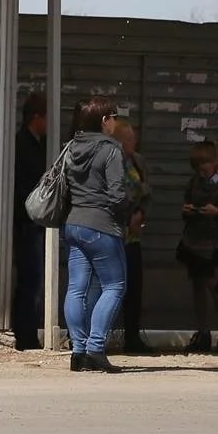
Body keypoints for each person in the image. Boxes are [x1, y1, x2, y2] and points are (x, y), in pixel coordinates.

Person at [63, 97, 129, 374]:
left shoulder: (71, 147)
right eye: (113, 117)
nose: (116, 122)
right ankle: (95, 348)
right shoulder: (110, 150)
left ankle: (78, 353)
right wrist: (126, 217)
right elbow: (116, 193)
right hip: (101, 225)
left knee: (77, 288)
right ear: (104, 121)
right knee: (115, 286)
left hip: (74, 224)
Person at [177, 139, 218, 353]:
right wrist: (189, 211)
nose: (202, 172)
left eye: (205, 167)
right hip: (195, 242)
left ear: (215, 162)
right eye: (198, 169)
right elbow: (186, 204)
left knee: (217, 288)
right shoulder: (193, 183)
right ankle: (202, 332)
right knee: (198, 288)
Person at [10, 93, 48, 352]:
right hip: (27, 222)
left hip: (35, 221)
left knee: (33, 280)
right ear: (36, 118)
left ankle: (28, 333)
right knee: (30, 279)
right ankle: (25, 336)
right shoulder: (22, 144)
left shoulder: (39, 143)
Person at [111, 117, 152, 355]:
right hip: (115, 233)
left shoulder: (137, 162)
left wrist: (141, 214)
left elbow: (147, 192)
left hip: (133, 235)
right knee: (111, 286)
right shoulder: (111, 162)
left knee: (134, 287)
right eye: (128, 138)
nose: (133, 142)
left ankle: (133, 336)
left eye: (133, 138)